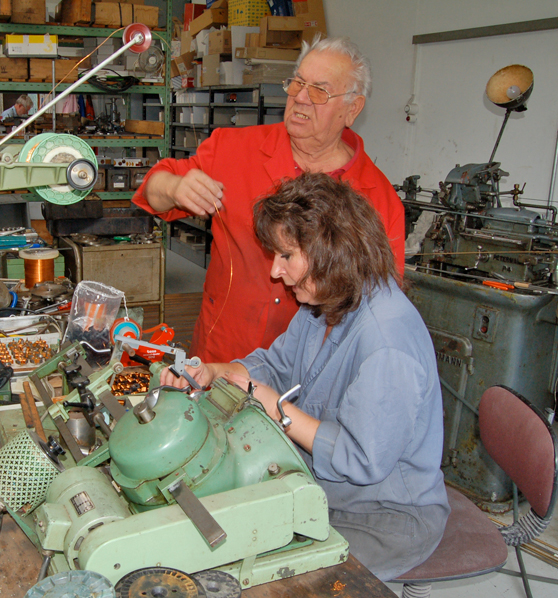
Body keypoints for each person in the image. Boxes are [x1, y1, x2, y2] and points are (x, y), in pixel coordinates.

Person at [160, 173, 448, 582]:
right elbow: (274, 365)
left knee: (273, 578)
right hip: (320, 488)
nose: (276, 271)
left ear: (331, 253)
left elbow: (359, 459)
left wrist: (274, 408)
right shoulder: (327, 303)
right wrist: (213, 372)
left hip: (385, 516)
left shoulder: (387, 343)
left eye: (286, 256)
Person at [133, 36, 405, 363]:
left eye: (319, 90)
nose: (301, 98)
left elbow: (380, 308)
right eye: (297, 83)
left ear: (352, 109)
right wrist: (175, 187)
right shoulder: (233, 148)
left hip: (304, 378)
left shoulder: (378, 200)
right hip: (219, 358)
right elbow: (152, 188)